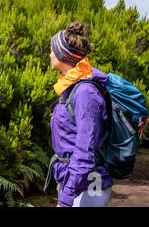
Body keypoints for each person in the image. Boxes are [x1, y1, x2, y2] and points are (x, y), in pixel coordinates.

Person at [47, 21, 113, 207]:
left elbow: (85, 150)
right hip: (74, 182)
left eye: (52, 49)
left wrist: (66, 198)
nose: (50, 53)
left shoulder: (85, 93)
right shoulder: (70, 89)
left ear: (63, 54)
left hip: (89, 185)